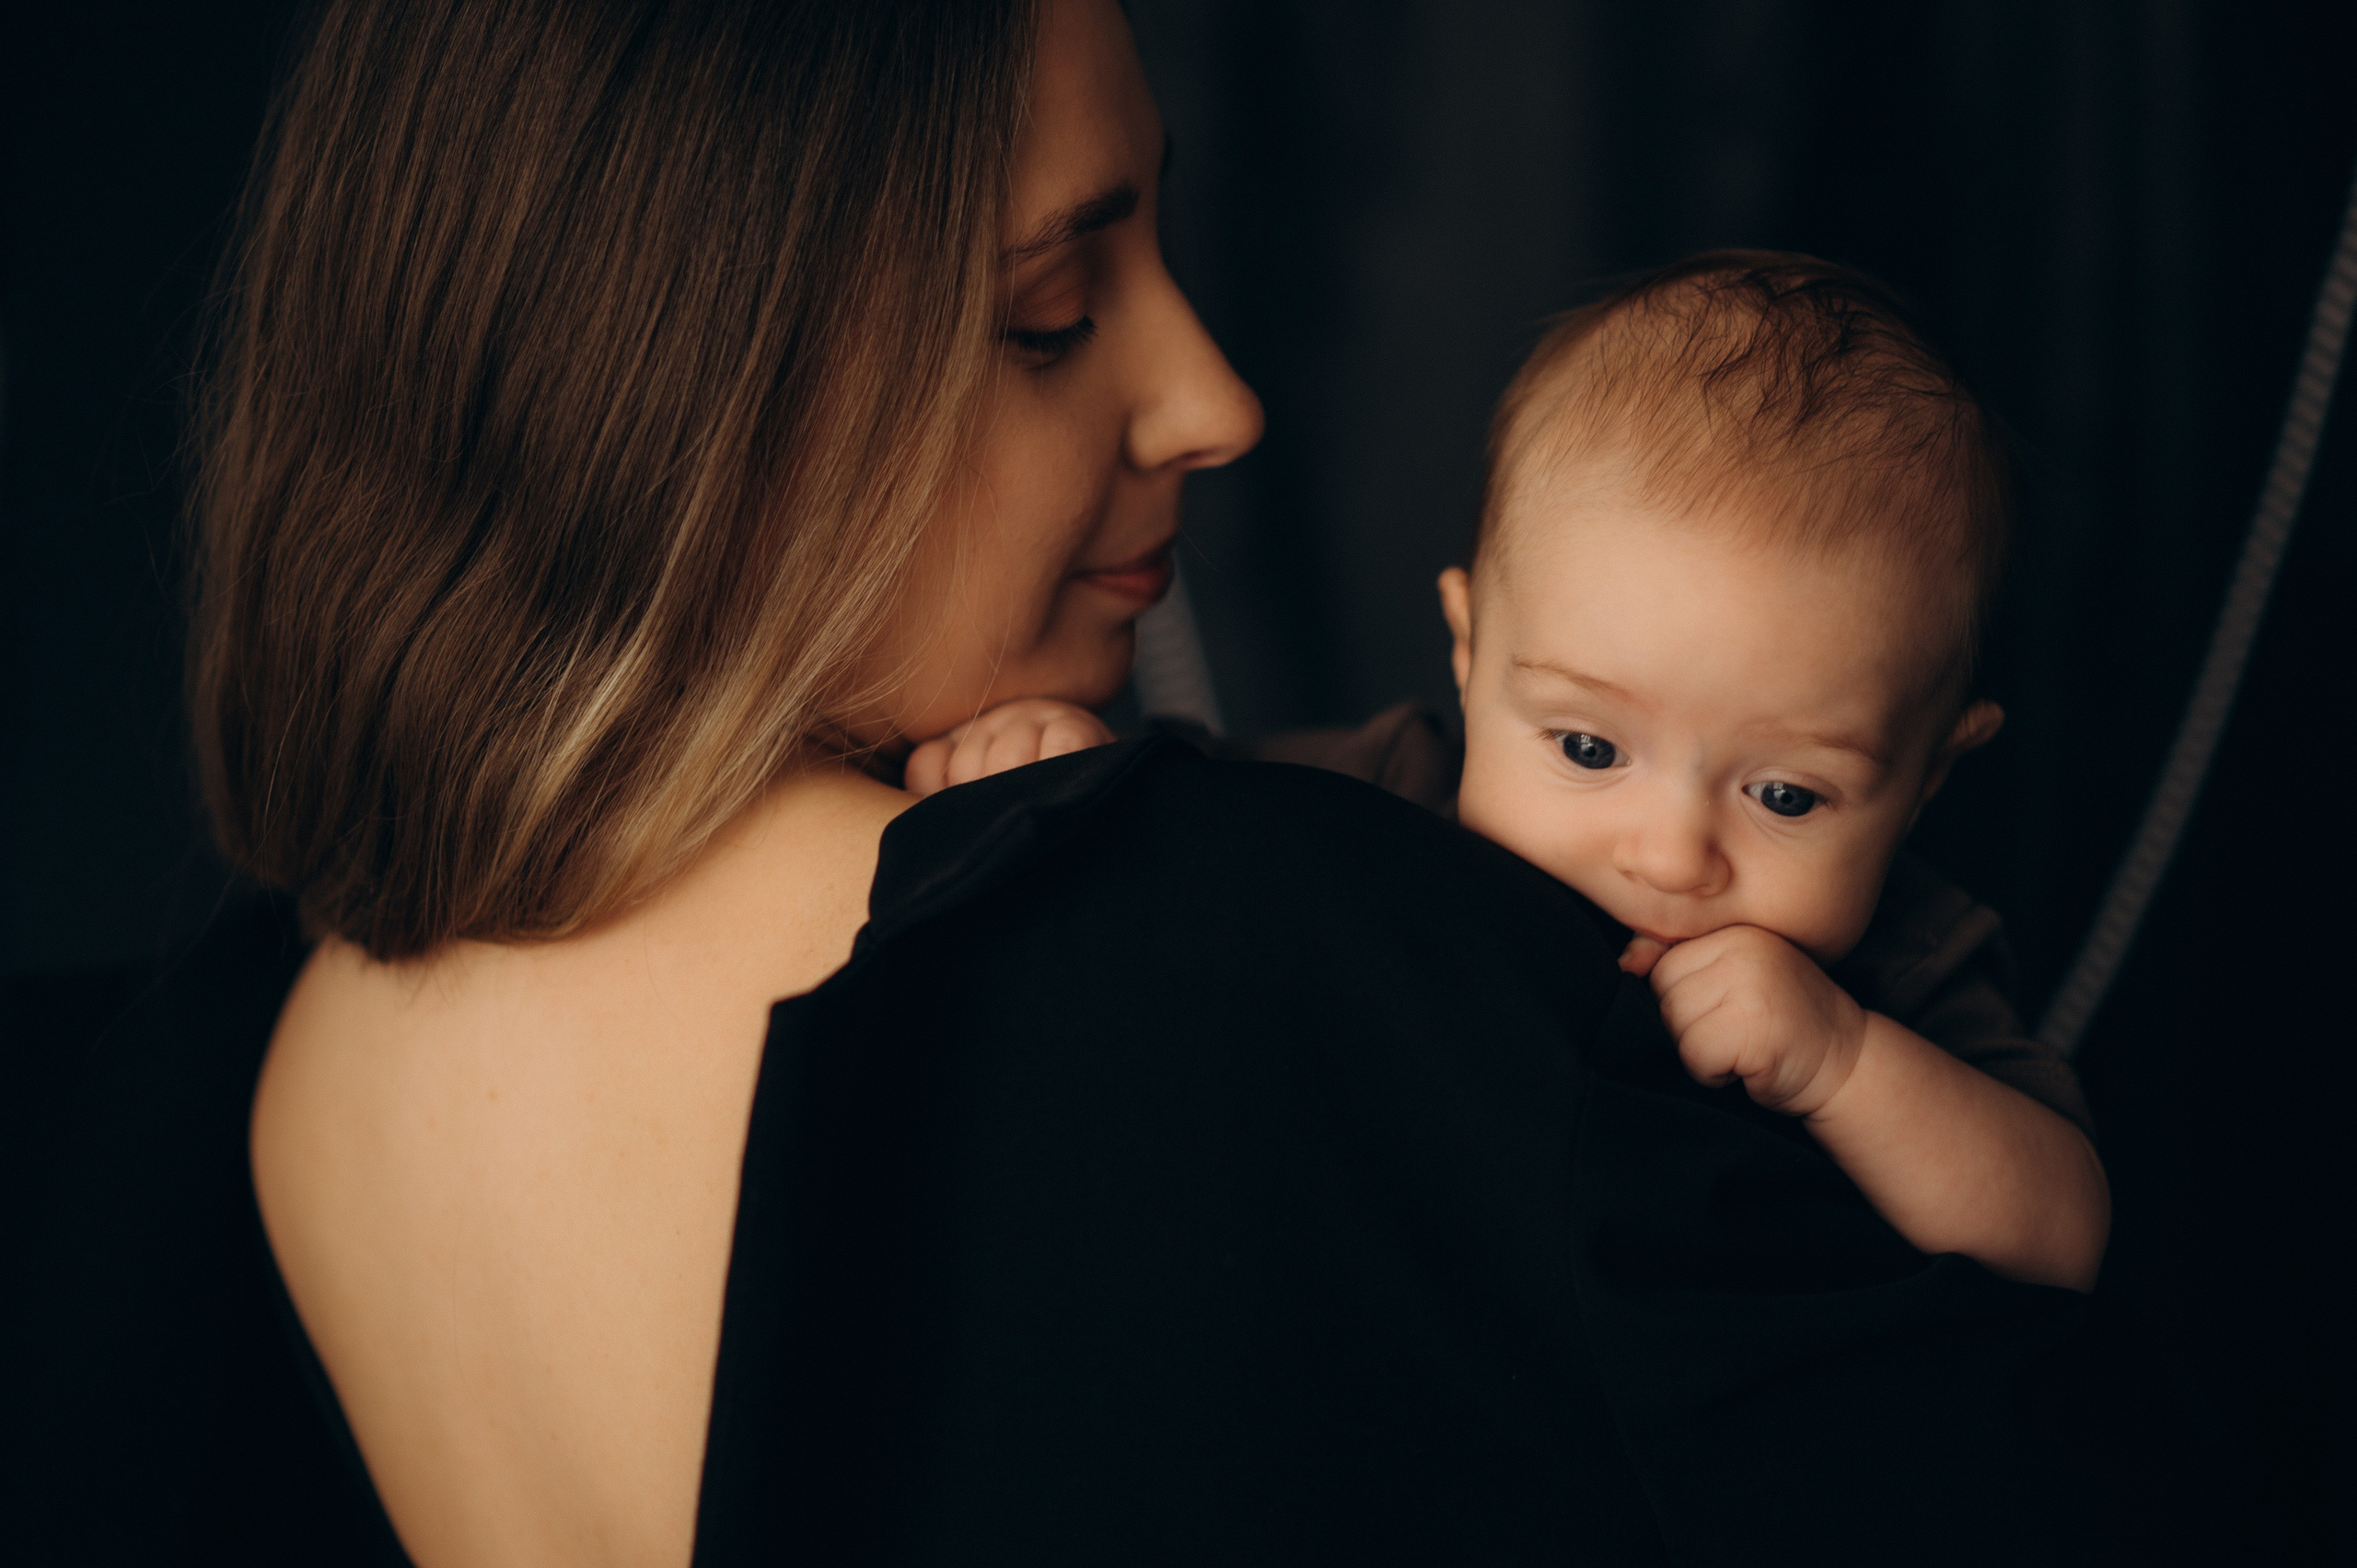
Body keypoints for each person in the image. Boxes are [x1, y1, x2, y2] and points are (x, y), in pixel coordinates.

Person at [10, 4, 2169, 1565]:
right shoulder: (1293, 974)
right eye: (1053, 310)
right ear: (692, 401)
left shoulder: (229, 1061)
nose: (1213, 396)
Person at [929, 254, 2108, 1295]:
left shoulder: (1895, 968)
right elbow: (1172, 851)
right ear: (1469, 649)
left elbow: (2057, 1236)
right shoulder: (1375, 804)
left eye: (1785, 795)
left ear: (1926, 777)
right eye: (1589, 749)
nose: (1668, 853)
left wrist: (1842, 1064)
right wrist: (1055, 769)